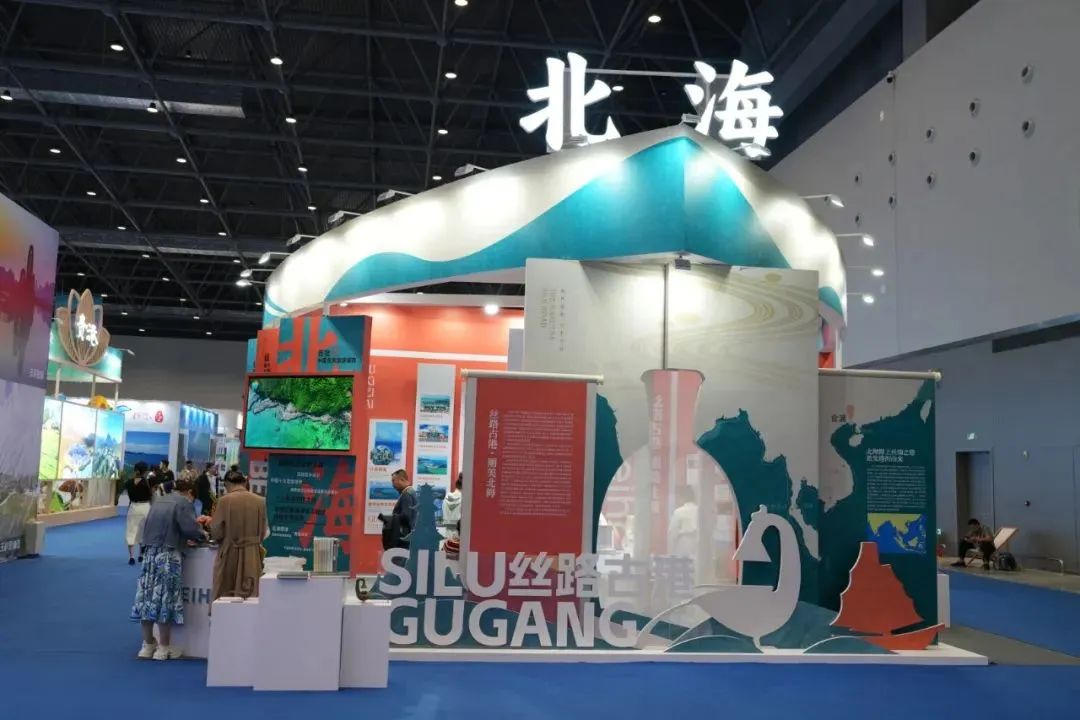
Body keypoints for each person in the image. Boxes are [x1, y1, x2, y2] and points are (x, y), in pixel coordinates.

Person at [130, 477, 208, 661]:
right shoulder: (183, 503)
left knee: (146, 599)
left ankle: (147, 645)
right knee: (165, 600)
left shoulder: (158, 501)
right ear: (189, 493)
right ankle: (163, 648)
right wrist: (203, 534)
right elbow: (190, 529)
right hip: (168, 555)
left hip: (149, 553)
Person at [208, 470, 268, 602]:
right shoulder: (260, 501)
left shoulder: (224, 501)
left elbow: (216, 532)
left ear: (227, 484)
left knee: (225, 597)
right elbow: (263, 532)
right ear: (245, 482)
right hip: (252, 556)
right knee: (251, 597)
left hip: (229, 554)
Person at [378, 469, 417, 550]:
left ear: (401, 480)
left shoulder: (407, 494)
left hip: (405, 539)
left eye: (393, 481)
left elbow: (406, 516)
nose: (392, 485)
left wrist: (389, 518)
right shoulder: (411, 492)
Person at [124, 461, 154, 565]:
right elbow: (151, 495)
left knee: (131, 530)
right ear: (144, 471)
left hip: (133, 507)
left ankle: (131, 557)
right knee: (144, 531)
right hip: (145, 507)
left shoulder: (129, 482)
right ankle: (141, 555)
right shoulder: (147, 482)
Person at [668, 485, 699, 558]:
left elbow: (672, 532)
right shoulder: (700, 511)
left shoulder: (678, 511)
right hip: (698, 542)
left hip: (683, 543)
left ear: (682, 497)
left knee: (684, 563)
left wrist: (670, 551)